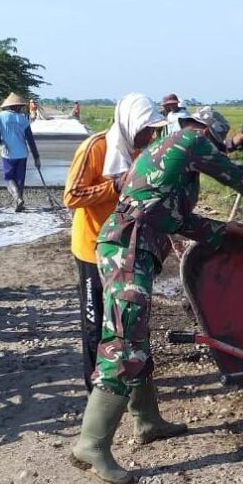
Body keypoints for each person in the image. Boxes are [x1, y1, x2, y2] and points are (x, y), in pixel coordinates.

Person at [71, 106, 243, 484]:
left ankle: (147, 420)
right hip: (127, 249)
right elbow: (235, 177)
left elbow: (174, 219)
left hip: (133, 246)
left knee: (136, 335)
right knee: (122, 344)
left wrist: (225, 228)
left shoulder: (166, 154)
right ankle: (92, 443)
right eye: (214, 143)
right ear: (204, 132)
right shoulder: (191, 140)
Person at [63, 93, 166, 394]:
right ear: (130, 124)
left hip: (126, 248)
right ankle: (94, 386)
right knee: (95, 320)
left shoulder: (142, 152)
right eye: (146, 129)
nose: (150, 136)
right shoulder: (96, 148)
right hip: (92, 249)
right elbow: (72, 196)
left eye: (154, 130)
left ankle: (128, 384)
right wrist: (114, 186)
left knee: (127, 318)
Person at [0, 93, 41, 212]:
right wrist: (36, 157)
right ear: (18, 106)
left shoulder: (0, 116)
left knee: (9, 177)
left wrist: (0, 141)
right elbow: (30, 140)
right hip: (22, 152)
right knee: (20, 178)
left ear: (9, 106)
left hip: (8, 152)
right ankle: (19, 201)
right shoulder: (23, 119)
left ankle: (17, 197)